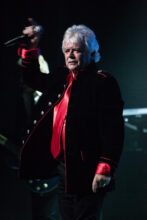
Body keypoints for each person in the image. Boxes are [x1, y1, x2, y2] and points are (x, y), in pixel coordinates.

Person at [18, 18, 124, 220]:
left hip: (89, 169)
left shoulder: (103, 82)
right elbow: (32, 79)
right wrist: (32, 46)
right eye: (67, 51)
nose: (70, 55)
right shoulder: (62, 77)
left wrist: (106, 166)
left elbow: (114, 129)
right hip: (63, 168)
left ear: (91, 52)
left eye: (76, 50)